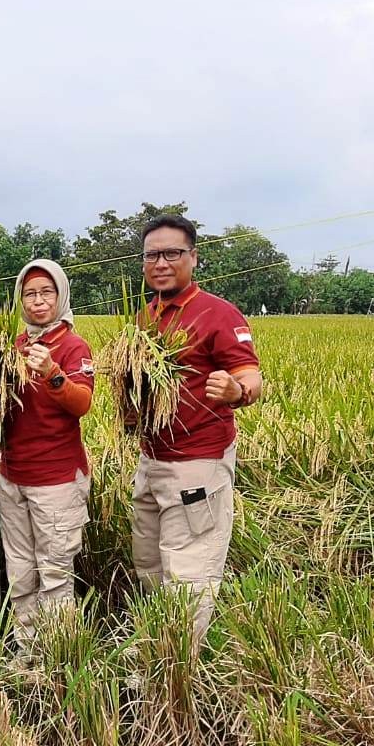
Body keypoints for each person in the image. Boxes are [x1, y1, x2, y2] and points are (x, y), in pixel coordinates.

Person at [129, 214, 263, 644]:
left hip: (198, 466)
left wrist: (234, 390)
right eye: (152, 254)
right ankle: (157, 654)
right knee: (149, 567)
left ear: (194, 258)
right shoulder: (145, 317)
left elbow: (251, 376)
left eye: (172, 253)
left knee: (188, 575)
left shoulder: (218, 313)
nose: (161, 262)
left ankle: (178, 672)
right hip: (152, 462)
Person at [0, 259, 95, 665]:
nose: (38, 301)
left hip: (56, 479)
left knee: (54, 573)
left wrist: (53, 373)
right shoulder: (13, 347)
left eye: (46, 293)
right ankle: (27, 651)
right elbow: (6, 404)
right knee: (20, 571)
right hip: (13, 475)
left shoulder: (73, 347)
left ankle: (58, 658)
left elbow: (82, 403)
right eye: (30, 293)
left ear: (61, 296)